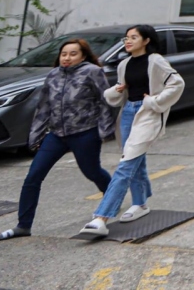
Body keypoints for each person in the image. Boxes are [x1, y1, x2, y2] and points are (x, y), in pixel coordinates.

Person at [0, 39, 117, 241]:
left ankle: (112, 197)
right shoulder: (53, 75)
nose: (67, 58)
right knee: (33, 176)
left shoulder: (93, 72)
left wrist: (104, 130)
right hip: (57, 135)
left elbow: (107, 101)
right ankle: (23, 226)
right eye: (64, 54)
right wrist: (36, 135)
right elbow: (44, 107)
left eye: (73, 54)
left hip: (85, 132)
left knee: (92, 171)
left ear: (83, 56)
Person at [79, 25, 184, 237]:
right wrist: (116, 90)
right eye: (126, 38)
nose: (127, 41)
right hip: (128, 113)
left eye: (133, 38)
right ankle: (140, 204)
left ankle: (101, 217)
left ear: (146, 40)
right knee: (135, 159)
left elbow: (177, 83)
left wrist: (154, 101)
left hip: (147, 113)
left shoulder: (155, 60)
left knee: (126, 165)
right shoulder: (124, 63)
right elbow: (120, 88)